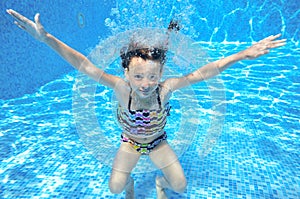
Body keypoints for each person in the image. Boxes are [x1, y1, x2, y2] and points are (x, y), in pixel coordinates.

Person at [7, 9, 286, 199]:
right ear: (126, 73)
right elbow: (84, 64)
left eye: (152, 76)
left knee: (180, 185)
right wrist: (47, 39)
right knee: (116, 188)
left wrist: (241, 54)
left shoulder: (165, 89)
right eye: (138, 75)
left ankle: (158, 184)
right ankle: (128, 180)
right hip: (129, 143)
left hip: (157, 143)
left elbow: (206, 71)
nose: (145, 83)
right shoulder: (120, 87)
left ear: (161, 75)